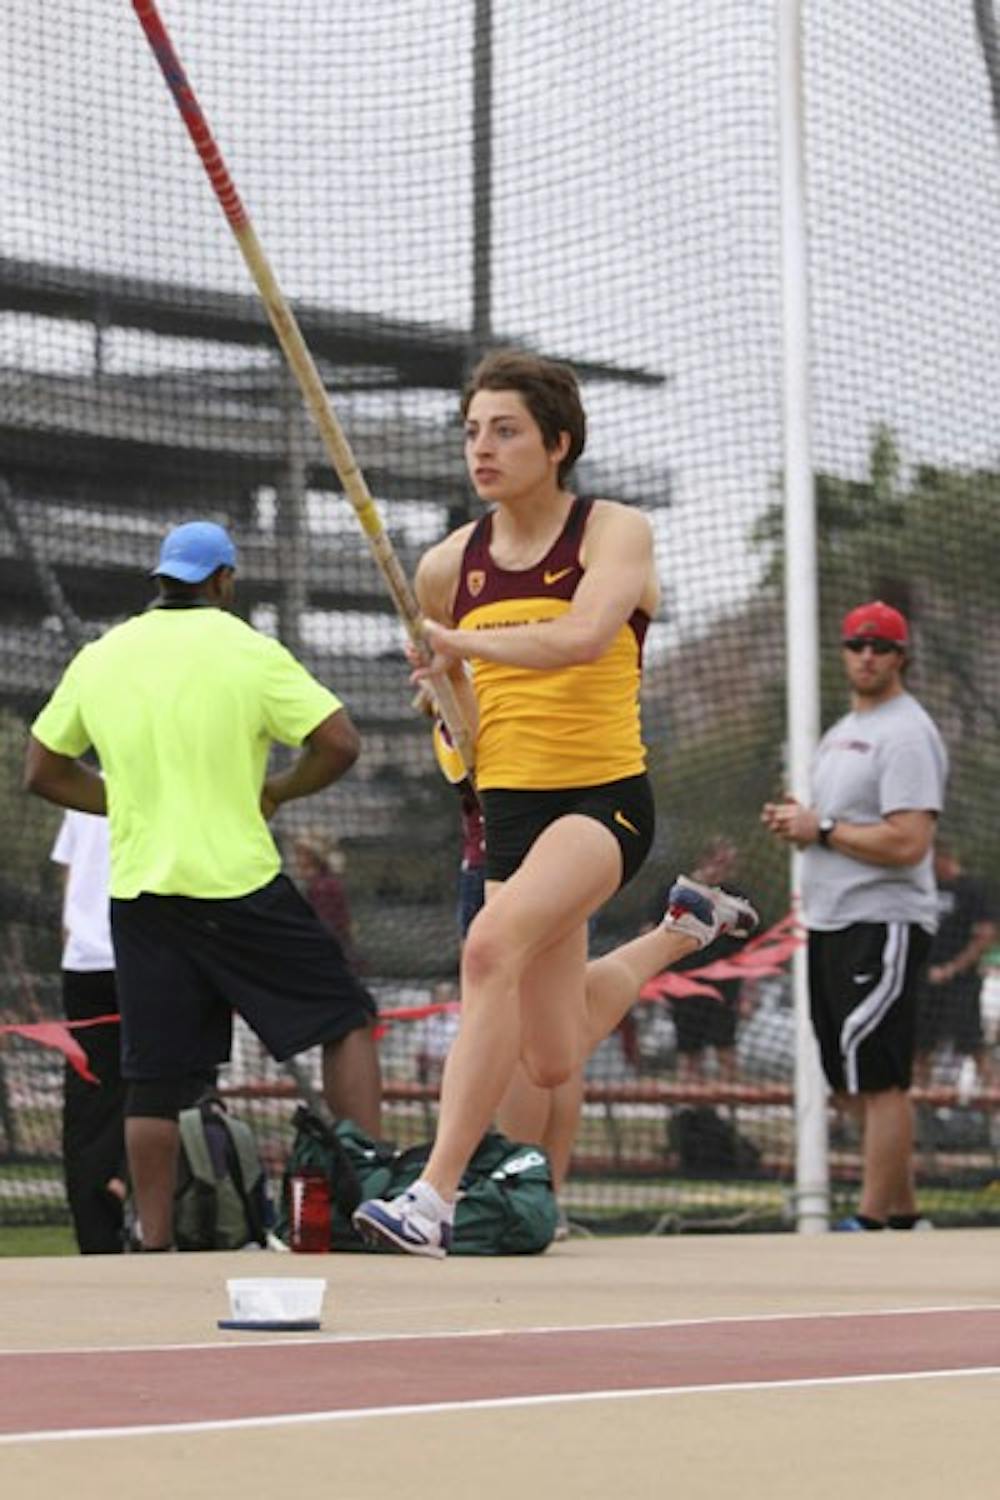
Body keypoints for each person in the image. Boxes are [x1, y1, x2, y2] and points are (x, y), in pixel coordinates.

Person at [353, 348, 757, 1256]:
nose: (481, 450)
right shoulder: (444, 565)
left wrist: (458, 642)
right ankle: (681, 931)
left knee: (489, 944)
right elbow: (460, 712)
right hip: (509, 811)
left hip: (602, 801)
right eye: (471, 433)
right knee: (553, 1053)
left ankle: (433, 1196)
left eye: (505, 431)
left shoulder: (614, 534)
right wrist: (442, 692)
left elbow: (579, 639)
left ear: (557, 443)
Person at [24, 519, 382, 1251]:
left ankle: (151, 1243)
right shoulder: (248, 651)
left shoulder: (103, 656)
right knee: (345, 1019)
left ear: (160, 579)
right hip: (238, 885)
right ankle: (369, 1198)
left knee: (153, 1074)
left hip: (143, 897)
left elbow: (42, 771)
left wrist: (122, 801)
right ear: (224, 580)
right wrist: (280, 789)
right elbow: (340, 742)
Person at [762, 600, 948, 1231]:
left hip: (883, 920)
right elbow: (832, 828)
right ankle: (904, 1214)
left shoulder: (906, 732)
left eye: (881, 646)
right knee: (844, 1078)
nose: (866, 655)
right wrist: (800, 824)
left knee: (880, 1074)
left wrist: (825, 828)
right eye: (856, 644)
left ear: (902, 657)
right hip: (831, 920)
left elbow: (908, 841)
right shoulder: (840, 730)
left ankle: (871, 1220)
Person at [51, 805, 127, 1253]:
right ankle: (132, 1191)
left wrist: (75, 939)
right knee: (169, 1082)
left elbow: (69, 876)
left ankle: (100, 1230)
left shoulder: (77, 791)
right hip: (143, 952)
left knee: (91, 1099)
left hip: (85, 963)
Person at [664, 836, 751, 1085]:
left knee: (726, 1050)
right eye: (721, 862)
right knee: (689, 1054)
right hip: (684, 986)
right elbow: (651, 933)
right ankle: (689, 1115)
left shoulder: (738, 898)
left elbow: (751, 948)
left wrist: (749, 992)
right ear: (704, 860)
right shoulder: (677, 891)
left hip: (725, 989)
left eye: (731, 865)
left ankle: (727, 1114)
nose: (726, 870)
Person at [913, 844, 997, 1093]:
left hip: (961, 982)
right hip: (926, 979)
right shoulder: (924, 888)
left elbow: (985, 935)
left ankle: (994, 1098)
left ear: (944, 857)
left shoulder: (971, 889)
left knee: (972, 1043)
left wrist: (953, 968)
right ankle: (920, 1102)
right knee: (920, 1046)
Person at [292, 831, 361, 970]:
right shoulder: (319, 884)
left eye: (301, 854)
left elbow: (326, 926)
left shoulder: (322, 887)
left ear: (312, 857)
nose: (296, 860)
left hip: (329, 957)